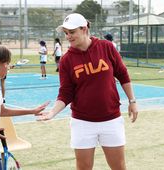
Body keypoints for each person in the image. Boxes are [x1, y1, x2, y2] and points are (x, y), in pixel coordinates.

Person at [38, 13, 138, 170]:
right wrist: (52, 113)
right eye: (66, 33)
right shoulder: (66, 60)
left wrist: (132, 101)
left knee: (119, 167)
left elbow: (122, 74)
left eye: (72, 32)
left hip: (111, 119)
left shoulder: (106, 47)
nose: (68, 36)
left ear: (84, 29)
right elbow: (65, 93)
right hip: (82, 122)